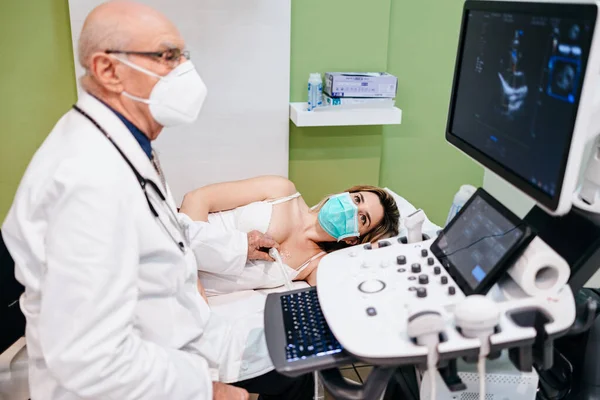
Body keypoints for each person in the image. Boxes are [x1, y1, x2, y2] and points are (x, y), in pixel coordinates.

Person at [1, 2, 311, 399]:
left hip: (178, 341)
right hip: (133, 381)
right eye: (167, 57)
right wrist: (215, 392)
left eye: (184, 56)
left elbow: (166, 227)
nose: (185, 71)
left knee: (297, 359)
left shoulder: (124, 145)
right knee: (290, 379)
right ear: (108, 70)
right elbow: (90, 359)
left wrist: (237, 244)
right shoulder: (85, 178)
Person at [179, 176, 400, 294]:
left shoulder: (316, 264)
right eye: (357, 199)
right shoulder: (282, 191)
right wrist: (190, 276)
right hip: (175, 245)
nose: (352, 209)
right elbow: (197, 199)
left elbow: (347, 292)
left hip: (180, 291)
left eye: (363, 219)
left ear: (354, 239)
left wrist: (372, 257)